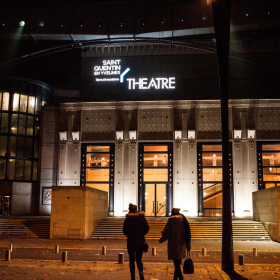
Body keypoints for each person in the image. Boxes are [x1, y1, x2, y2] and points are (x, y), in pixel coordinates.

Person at [159, 208, 191, 280]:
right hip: (182, 244)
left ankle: (180, 277)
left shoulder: (171, 220)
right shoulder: (183, 219)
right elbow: (188, 232)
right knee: (177, 261)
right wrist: (188, 245)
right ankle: (175, 277)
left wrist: (161, 239)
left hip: (173, 244)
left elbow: (167, 232)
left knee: (176, 263)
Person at [123, 203, 149, 280]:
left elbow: (124, 230)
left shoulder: (128, 218)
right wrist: (142, 234)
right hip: (140, 241)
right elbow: (147, 228)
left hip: (131, 241)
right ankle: (141, 274)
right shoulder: (141, 217)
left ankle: (133, 276)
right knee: (139, 259)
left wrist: (129, 235)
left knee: (131, 260)